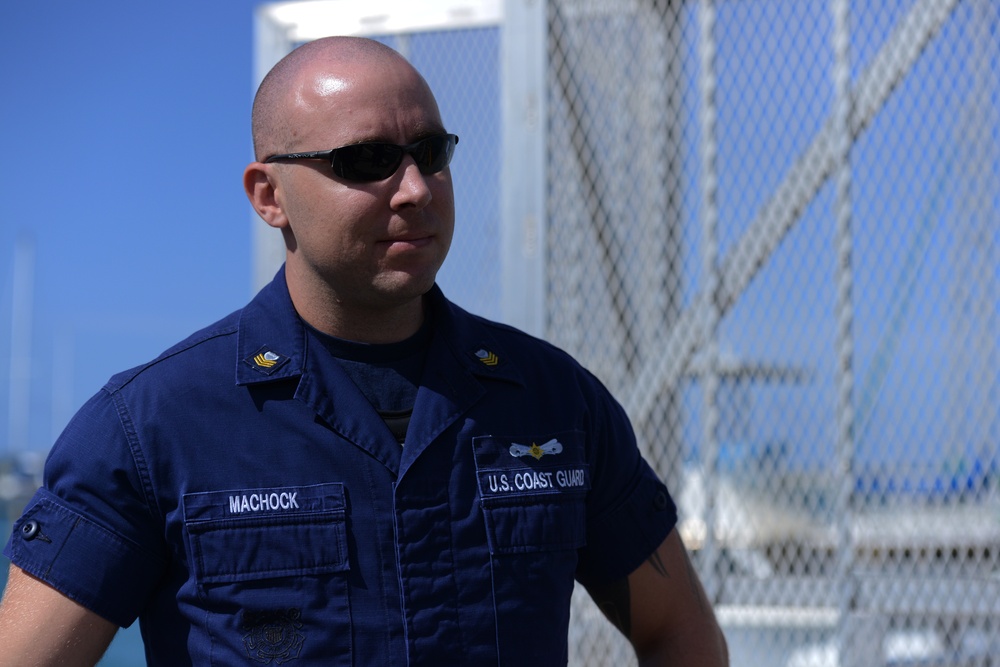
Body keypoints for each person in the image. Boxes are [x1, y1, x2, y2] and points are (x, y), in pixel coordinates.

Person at [0, 37, 728, 666]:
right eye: (368, 160)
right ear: (268, 195)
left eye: (431, 153)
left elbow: (679, 631)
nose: (414, 189)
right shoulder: (152, 427)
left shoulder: (552, 402)